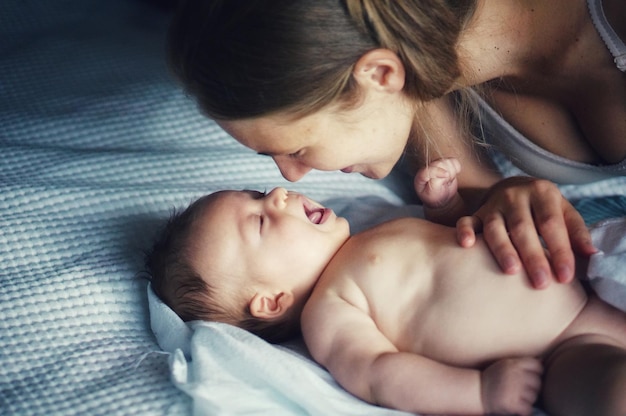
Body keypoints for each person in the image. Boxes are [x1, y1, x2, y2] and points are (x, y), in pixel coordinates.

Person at [165, 0, 626, 289]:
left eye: (298, 148)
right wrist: (506, 194)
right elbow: (472, 201)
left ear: (379, 75)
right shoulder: (413, 78)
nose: (289, 176)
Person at [146, 179, 626, 416]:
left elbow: (458, 238)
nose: (277, 193)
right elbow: (378, 376)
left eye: (257, 193)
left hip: (595, 277)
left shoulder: (371, 229)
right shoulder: (330, 312)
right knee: (611, 393)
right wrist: (478, 393)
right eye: (261, 221)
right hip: (562, 351)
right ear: (271, 301)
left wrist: (444, 206)